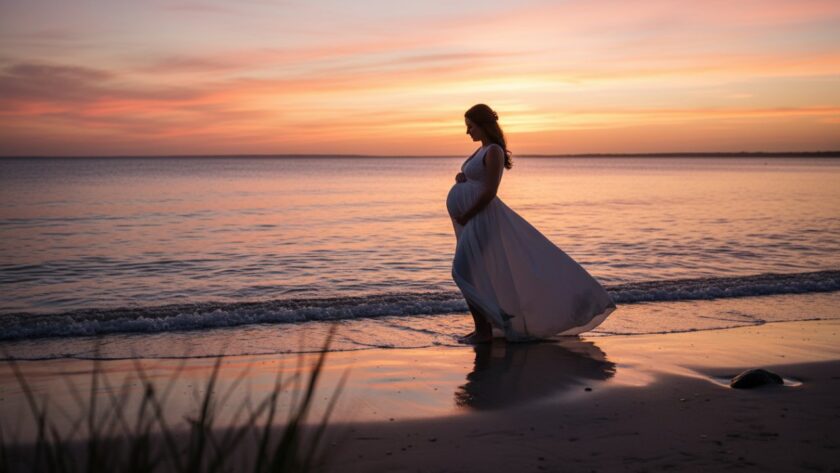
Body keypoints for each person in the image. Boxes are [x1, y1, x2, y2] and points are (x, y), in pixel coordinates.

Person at [446, 104, 615, 344]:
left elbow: (490, 191)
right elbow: (477, 179)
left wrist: (468, 214)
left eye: (470, 126)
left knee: (462, 271)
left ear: (483, 125)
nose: (467, 132)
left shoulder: (494, 151)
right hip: (472, 221)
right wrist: (462, 178)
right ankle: (487, 326)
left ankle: (485, 329)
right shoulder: (480, 151)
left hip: (481, 219)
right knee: (476, 273)